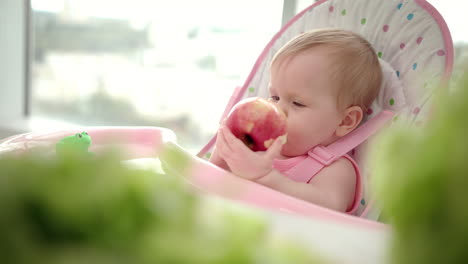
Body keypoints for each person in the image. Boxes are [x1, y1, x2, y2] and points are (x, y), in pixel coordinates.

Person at [210, 28, 382, 213]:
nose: (277, 109)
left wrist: (267, 177)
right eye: (274, 97)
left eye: (297, 103)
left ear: (345, 121)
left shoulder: (334, 169)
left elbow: (331, 206)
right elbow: (208, 184)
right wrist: (223, 155)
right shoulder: (258, 150)